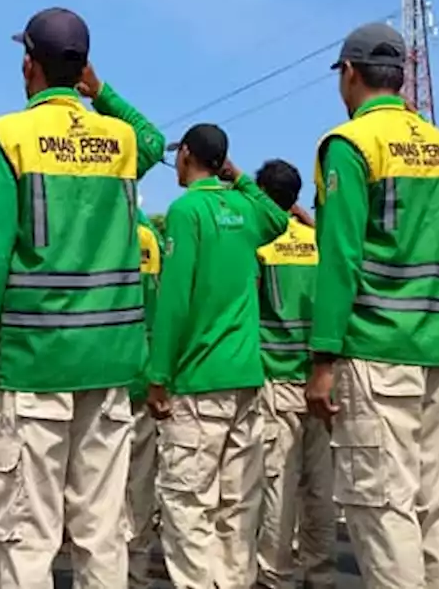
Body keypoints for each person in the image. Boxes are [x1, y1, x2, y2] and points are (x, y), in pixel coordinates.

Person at [0, 7, 165, 589]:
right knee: (102, 527)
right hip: (111, 358)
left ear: (28, 65)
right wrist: (103, 92)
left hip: (36, 357)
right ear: (82, 70)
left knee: (28, 528)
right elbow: (152, 138)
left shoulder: (10, 137)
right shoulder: (119, 141)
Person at [305, 23, 439, 588]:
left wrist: (323, 358)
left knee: (383, 508)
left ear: (349, 73)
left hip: (377, 354)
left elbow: (340, 257)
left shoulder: (348, 146)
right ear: (400, 77)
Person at [147, 125, 289, 588]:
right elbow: (280, 218)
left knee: (189, 504)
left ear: (186, 155)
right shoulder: (246, 209)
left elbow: (175, 300)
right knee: (238, 505)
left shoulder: (187, 210)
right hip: (246, 378)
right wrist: (239, 176)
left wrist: (159, 374)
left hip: (198, 380)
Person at [252, 159, 335, 589]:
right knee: (320, 488)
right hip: (321, 382)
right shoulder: (320, 243)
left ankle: (274, 575)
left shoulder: (261, 247)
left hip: (276, 380)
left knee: (278, 487)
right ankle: (321, 574)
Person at [126, 209, 163, 589]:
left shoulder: (99, 224)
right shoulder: (149, 238)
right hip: (143, 368)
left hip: (100, 373)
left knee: (92, 482)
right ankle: (133, 573)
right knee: (139, 481)